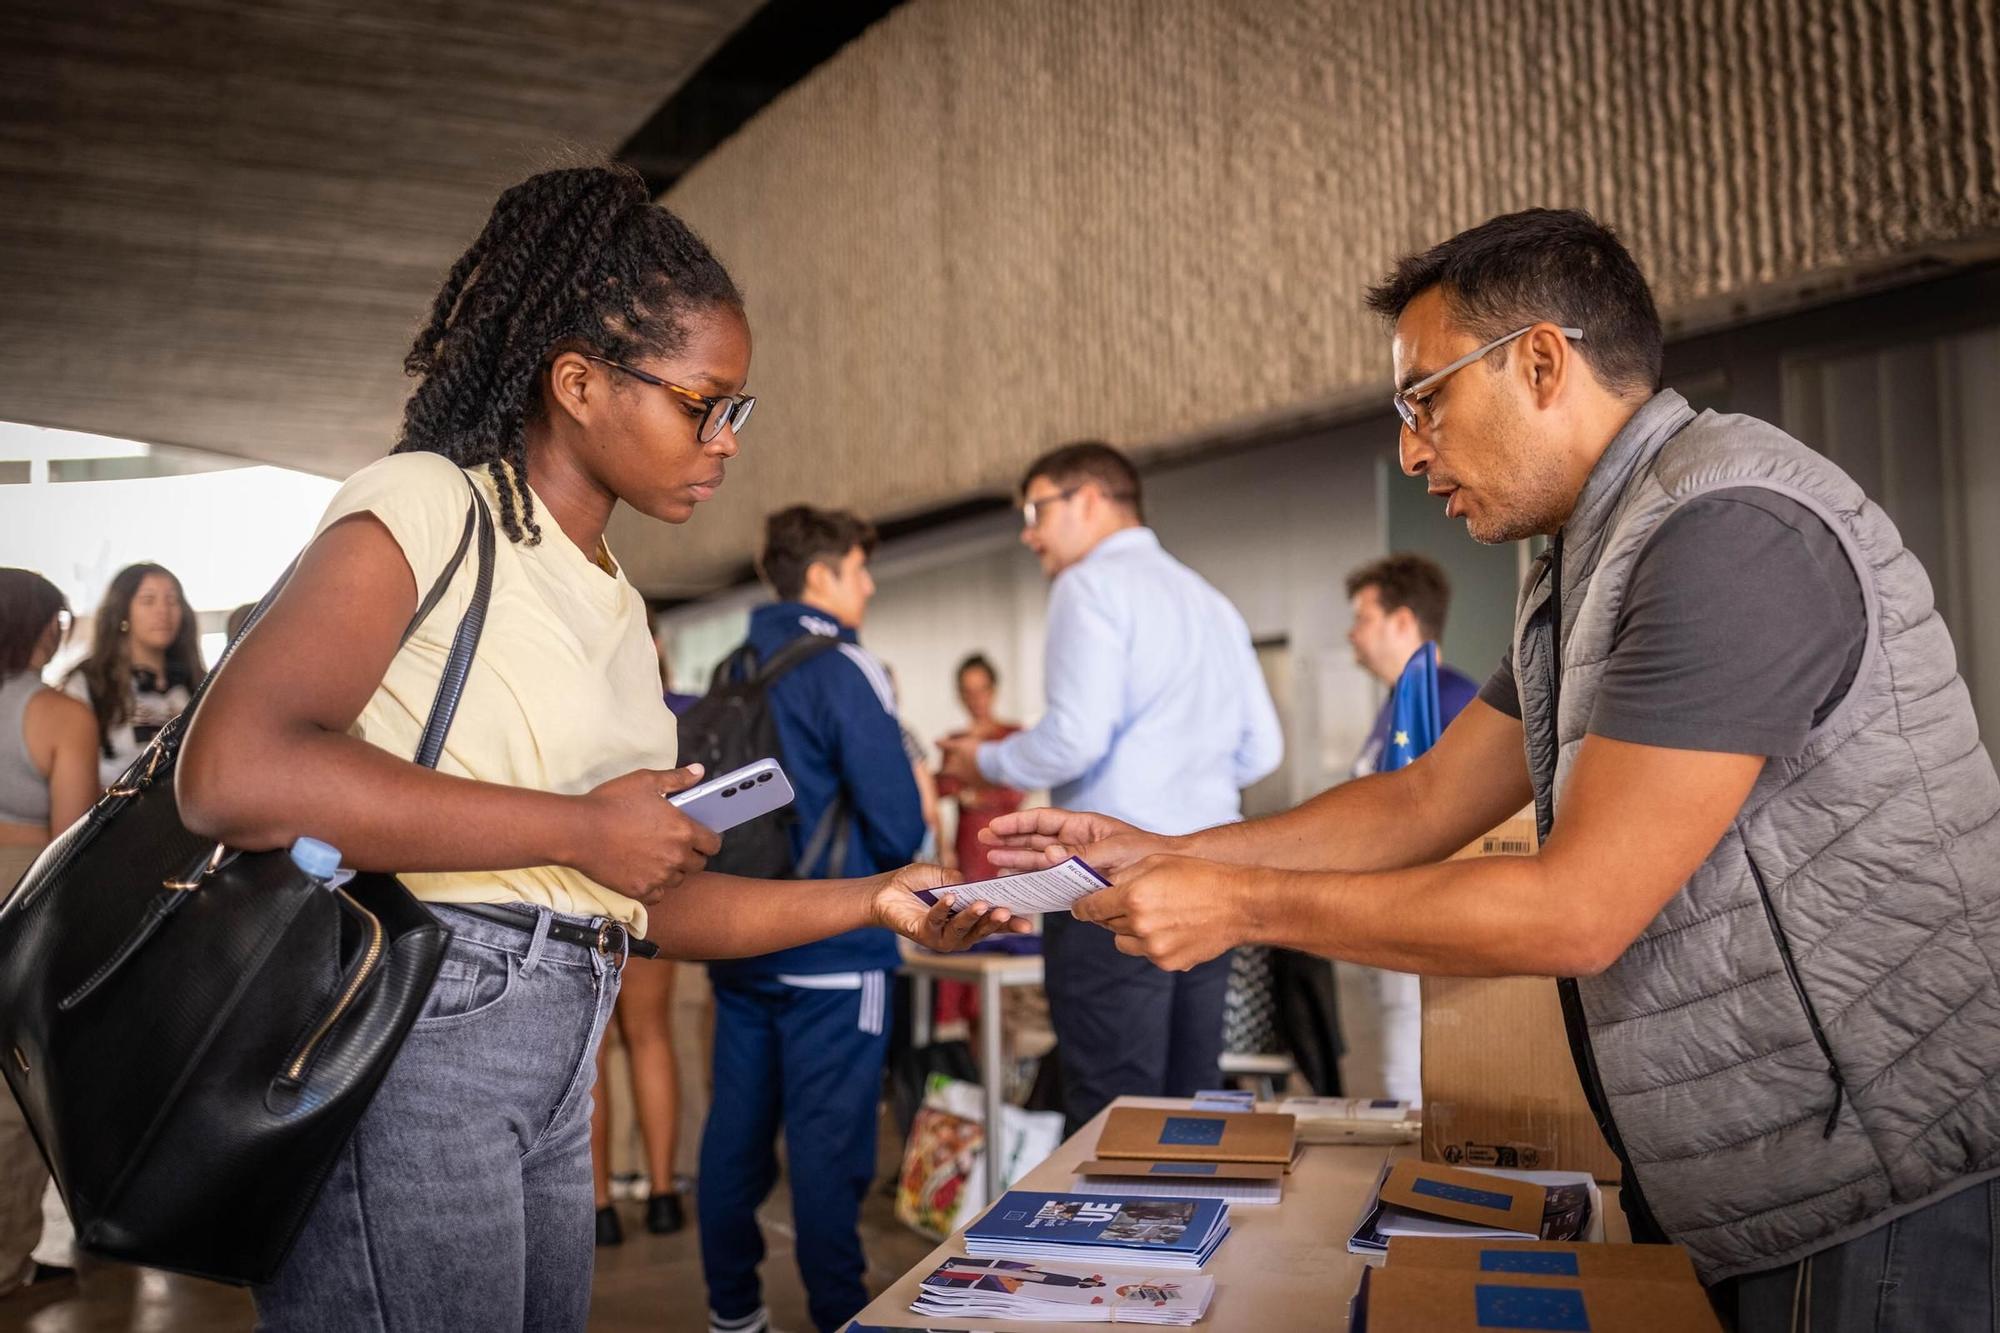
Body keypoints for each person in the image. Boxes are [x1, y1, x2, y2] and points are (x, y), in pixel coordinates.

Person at [984, 209, 2000, 1330]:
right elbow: (1424, 799)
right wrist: (1164, 849)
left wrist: (1238, 902)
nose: (1410, 449)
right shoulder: (1583, 554)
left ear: (1538, 361)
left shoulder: (1724, 530)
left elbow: (1576, 908)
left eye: (1424, 399)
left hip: (1881, 1186)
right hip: (1750, 1180)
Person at [176, 164, 1024, 1333]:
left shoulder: (621, 608)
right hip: (415, 1034)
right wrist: (582, 826)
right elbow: (235, 771)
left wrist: (876, 896)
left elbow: (647, 899)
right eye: (701, 402)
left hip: (557, 1048)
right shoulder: (428, 506)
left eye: (739, 408)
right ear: (577, 382)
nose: (725, 438)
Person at [937, 443, 1284, 1133]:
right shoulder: (1207, 598)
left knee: (1113, 1114)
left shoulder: (1089, 585)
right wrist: (1185, 785)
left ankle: (1111, 1244)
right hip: (1210, 873)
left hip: (1114, 879)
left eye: (1036, 510)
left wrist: (988, 760)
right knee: (1192, 1103)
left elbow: (1075, 737)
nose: (1029, 531)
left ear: (1089, 500)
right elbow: (1263, 749)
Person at [697, 505, 926, 1333]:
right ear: (823, 576)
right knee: (829, 1156)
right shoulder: (845, 667)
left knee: (736, 1140)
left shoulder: (733, 666)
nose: (867, 584)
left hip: (742, 938)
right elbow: (901, 825)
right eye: (860, 569)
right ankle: (840, 1316)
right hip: (835, 950)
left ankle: (734, 1314)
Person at [1342, 553, 1480, 1103]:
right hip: (1388, 918)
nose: (1352, 635)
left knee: (1412, 1085)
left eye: (1362, 617)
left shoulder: (1448, 702)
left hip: (1424, 916)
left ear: (1402, 621)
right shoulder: (1401, 702)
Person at [0, 569, 98, 1299]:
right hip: (19, 892)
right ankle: (6, 1262)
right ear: (45, 626)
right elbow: (69, 843)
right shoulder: (61, 715)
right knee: (12, 1092)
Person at [65, 562, 204, 785]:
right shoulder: (90, 683)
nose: (163, 611)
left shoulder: (199, 682)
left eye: (172, 600)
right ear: (122, 611)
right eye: (148, 600)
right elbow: (76, 768)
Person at [935, 653, 1024, 882]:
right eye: (968, 691)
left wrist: (969, 794)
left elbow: (1016, 794)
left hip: (1009, 846)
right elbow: (940, 788)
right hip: (968, 849)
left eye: (981, 690)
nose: (976, 699)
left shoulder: (1012, 736)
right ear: (960, 695)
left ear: (993, 690)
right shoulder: (955, 740)